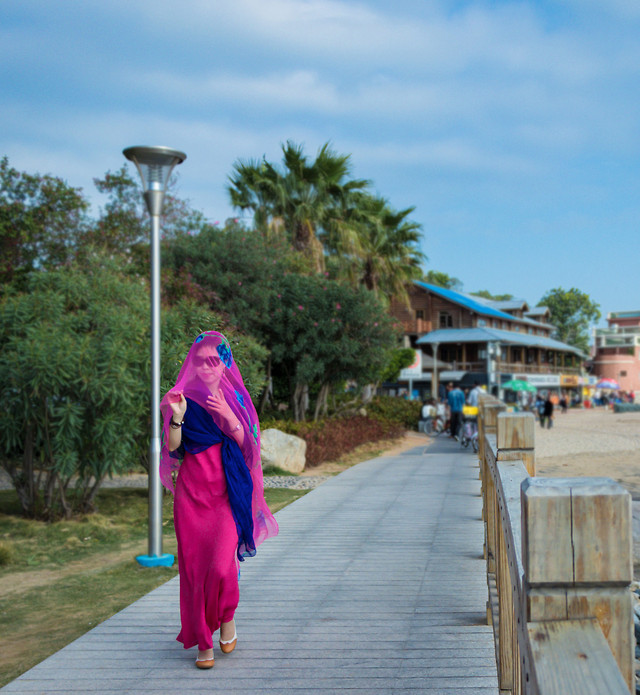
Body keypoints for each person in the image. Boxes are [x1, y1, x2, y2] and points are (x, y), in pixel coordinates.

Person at [161, 331, 279, 669]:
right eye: (201, 361)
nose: (208, 367)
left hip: (227, 493)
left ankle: (226, 616)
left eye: (215, 361)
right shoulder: (183, 398)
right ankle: (203, 640)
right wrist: (178, 415)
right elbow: (173, 448)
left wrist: (229, 417)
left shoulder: (237, 399)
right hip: (192, 497)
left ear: (224, 364)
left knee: (222, 566)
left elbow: (249, 448)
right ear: (194, 365)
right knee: (197, 571)